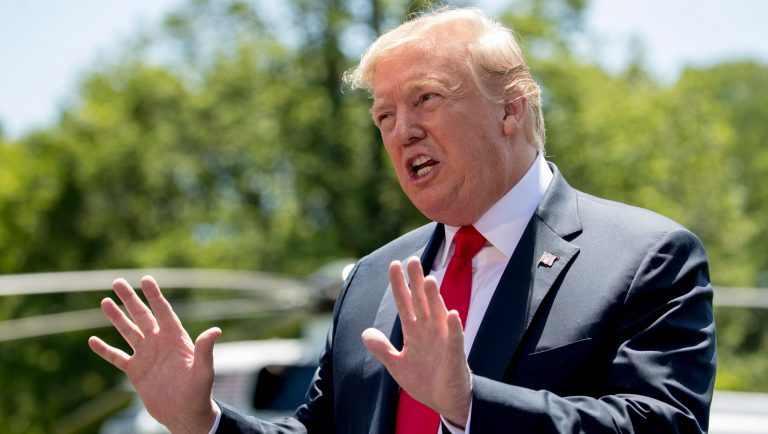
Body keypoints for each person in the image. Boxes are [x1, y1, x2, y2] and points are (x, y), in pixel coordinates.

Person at [88, 7, 716, 434]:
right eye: (384, 116)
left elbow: (664, 425)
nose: (402, 130)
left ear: (511, 110)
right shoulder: (370, 281)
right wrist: (206, 421)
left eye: (426, 99)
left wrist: (470, 403)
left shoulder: (646, 258)